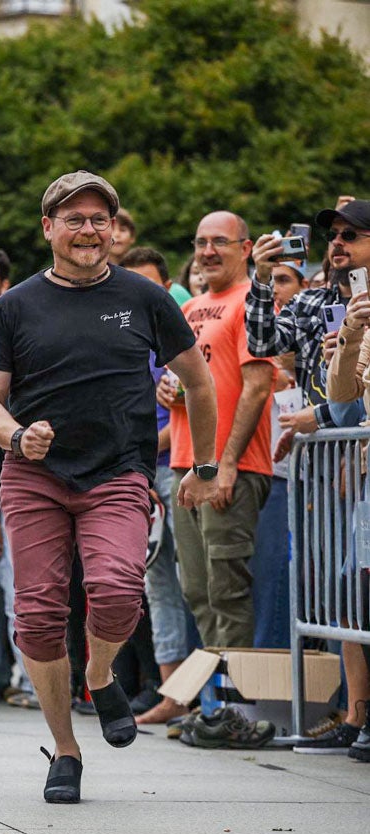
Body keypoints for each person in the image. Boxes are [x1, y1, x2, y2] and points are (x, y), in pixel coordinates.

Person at [0, 170, 219, 803]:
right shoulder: (15, 305)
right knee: (38, 613)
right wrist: (15, 436)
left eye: (99, 219)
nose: (88, 229)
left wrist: (207, 462)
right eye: (74, 218)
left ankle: (100, 674)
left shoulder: (145, 297)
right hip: (34, 477)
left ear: (112, 228)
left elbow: (198, 381)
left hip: (117, 472)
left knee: (116, 591)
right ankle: (65, 750)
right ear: (48, 228)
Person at [251, 199, 370, 755]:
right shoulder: (316, 300)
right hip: (321, 463)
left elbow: (349, 404)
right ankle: (354, 714)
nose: (339, 243)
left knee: (360, 588)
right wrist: (258, 278)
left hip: (349, 453)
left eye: (354, 234)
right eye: (335, 235)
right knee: (338, 593)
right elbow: (260, 343)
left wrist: (321, 419)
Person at [165, 213, 274, 652]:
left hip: (231, 467)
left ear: (246, 249)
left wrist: (225, 464)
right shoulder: (189, 308)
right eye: (200, 242)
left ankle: (238, 708)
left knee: (226, 591)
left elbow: (258, 385)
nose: (207, 251)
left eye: (220, 242)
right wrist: (166, 389)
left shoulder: (253, 301)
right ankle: (216, 705)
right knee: (196, 590)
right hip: (184, 463)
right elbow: (193, 381)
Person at [117, 247, 197, 724]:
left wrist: (141, 454)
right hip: (141, 474)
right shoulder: (120, 335)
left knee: (197, 584)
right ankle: (173, 693)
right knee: (158, 584)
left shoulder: (180, 333)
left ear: (166, 288)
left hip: (178, 469)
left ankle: (208, 691)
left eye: (150, 285)